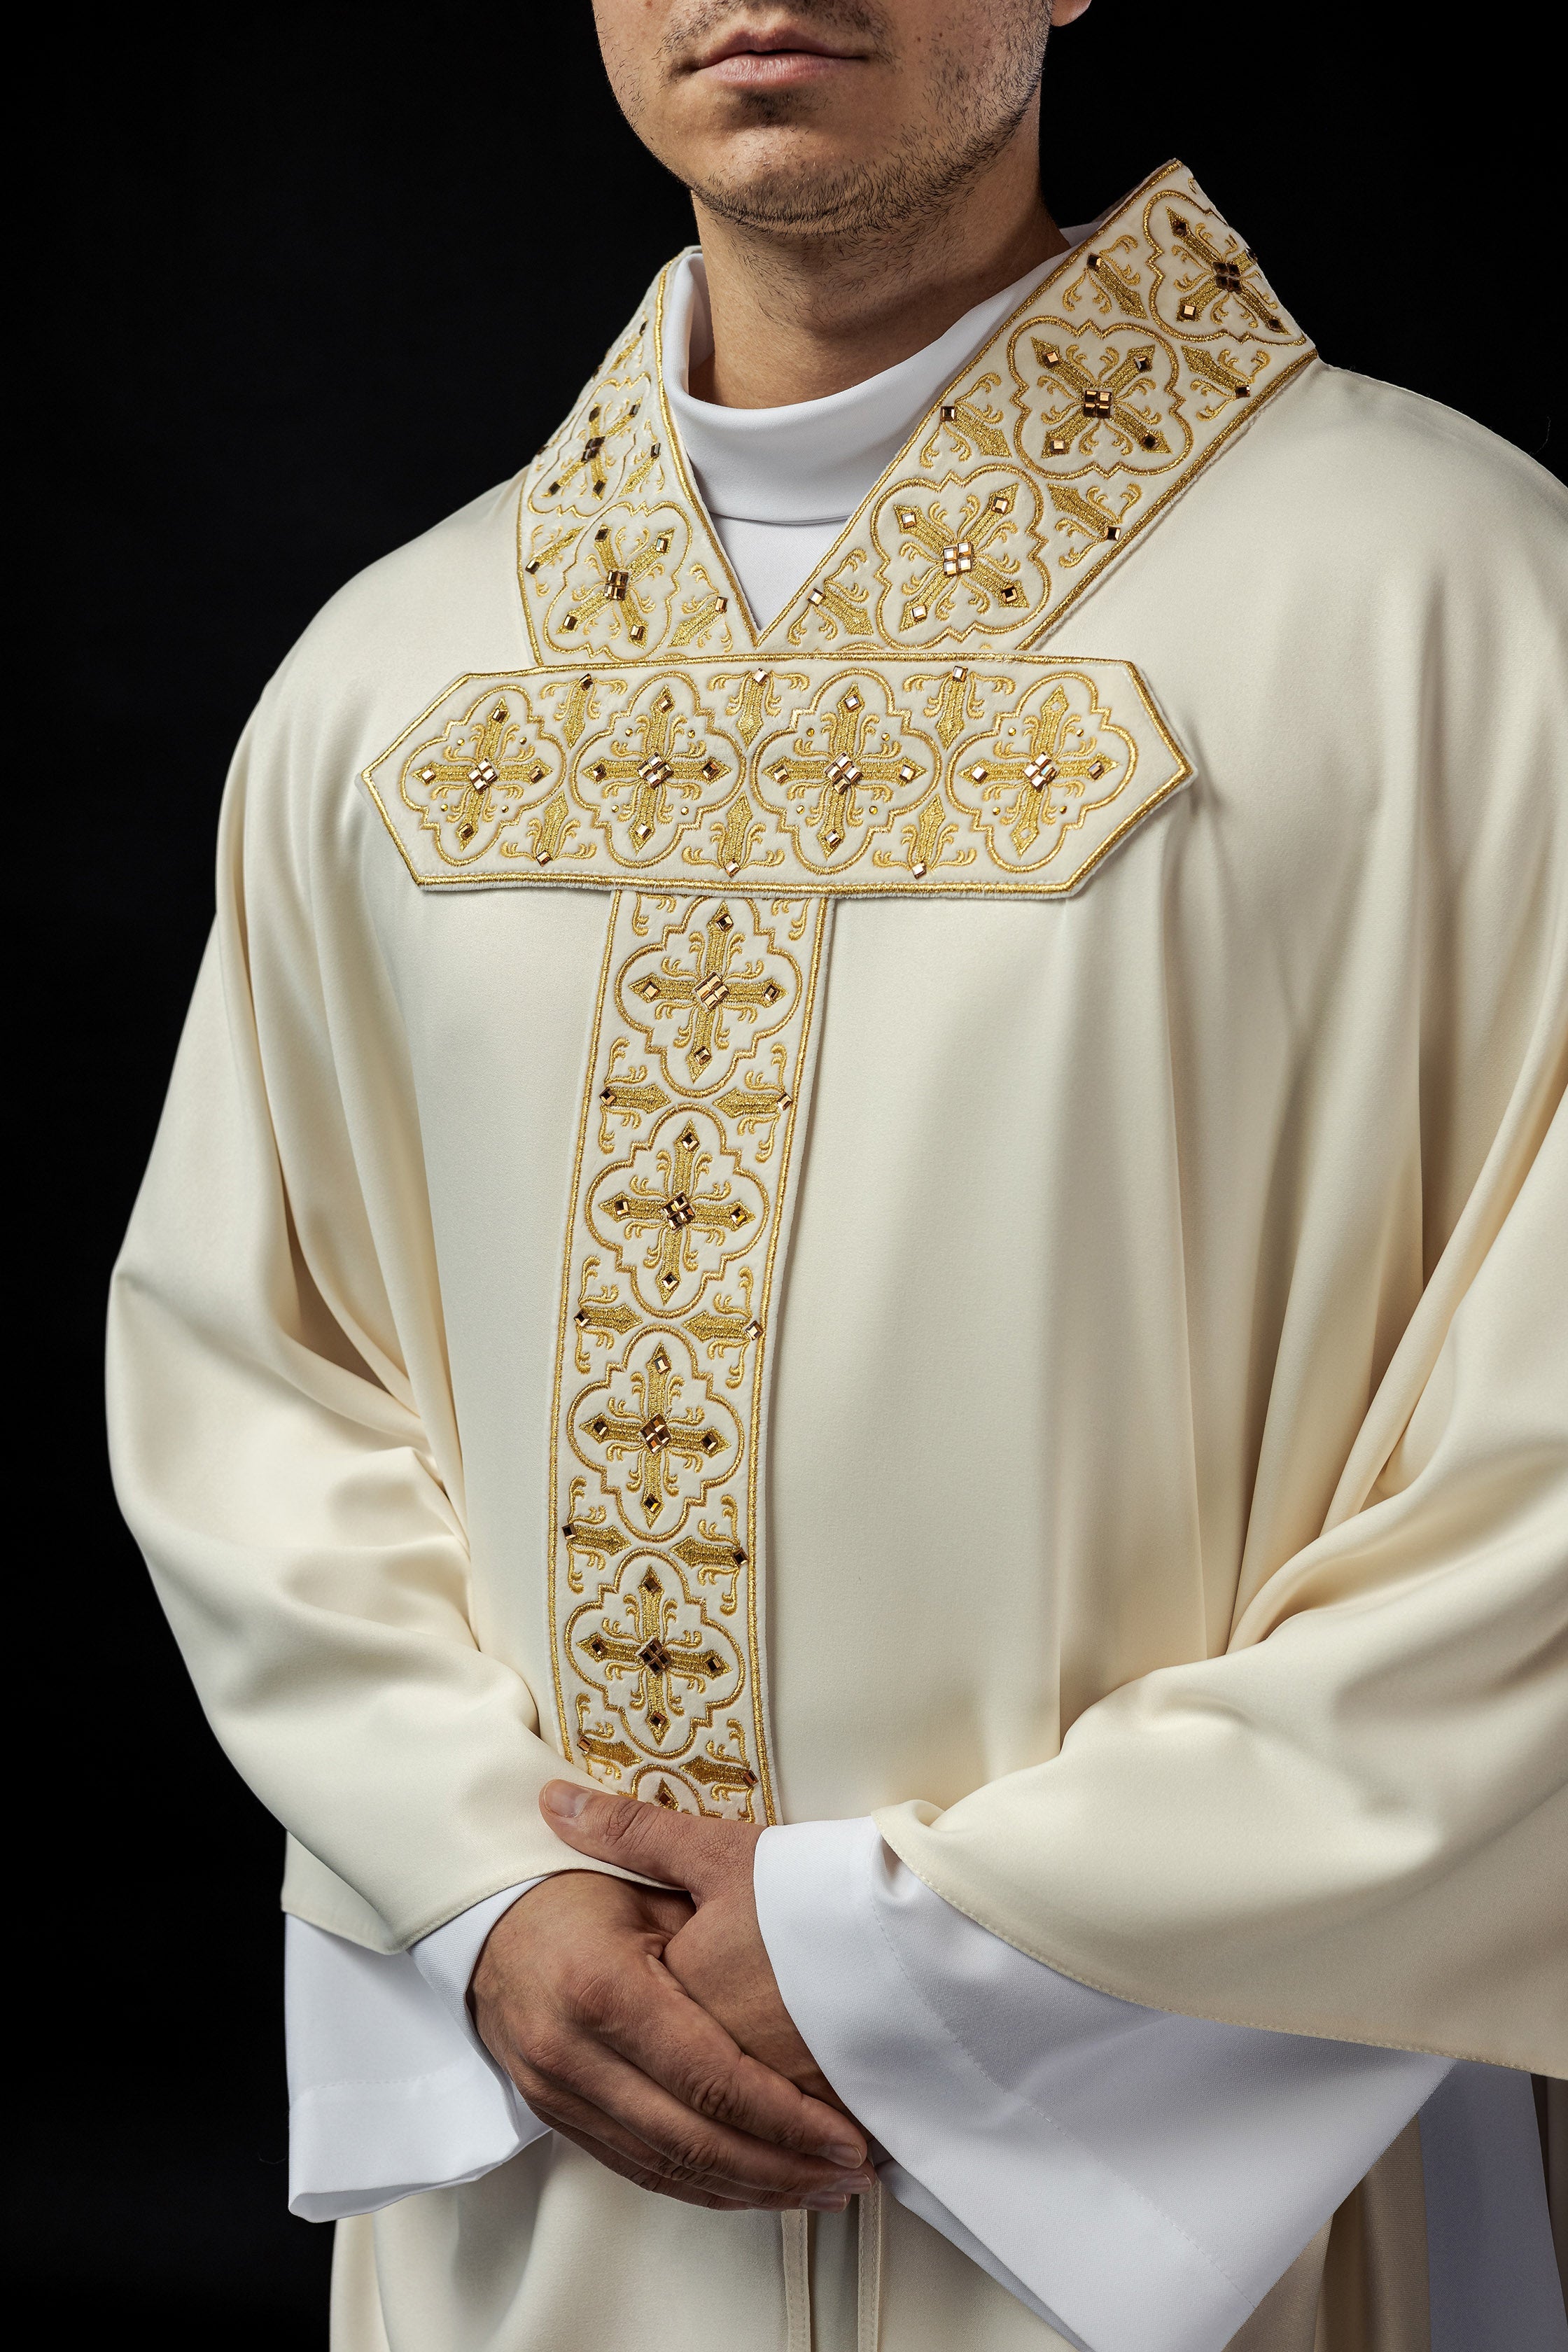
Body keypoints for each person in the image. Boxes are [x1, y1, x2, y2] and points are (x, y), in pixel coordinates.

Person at [107, 4, 1567, 2348]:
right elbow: (250, 1389)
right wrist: (482, 1891)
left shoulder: (1462, 609)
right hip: (560, 2159)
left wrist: (956, 1954)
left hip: (1210, 2134)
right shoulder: (388, 685)